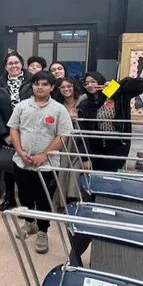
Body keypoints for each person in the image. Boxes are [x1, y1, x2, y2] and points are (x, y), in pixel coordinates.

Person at [8, 71, 73, 254]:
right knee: (25, 194)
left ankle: (43, 230)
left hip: (47, 163)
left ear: (52, 87)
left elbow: (63, 135)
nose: (40, 87)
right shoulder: (22, 106)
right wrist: (20, 152)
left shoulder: (59, 109)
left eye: (45, 84)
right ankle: (29, 223)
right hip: (22, 162)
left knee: (44, 198)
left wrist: (44, 154)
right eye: (37, 84)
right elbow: (14, 129)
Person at [77, 71, 143, 172]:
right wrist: (85, 157)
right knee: (97, 178)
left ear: (100, 81)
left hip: (118, 145)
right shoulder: (84, 105)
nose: (90, 85)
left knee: (112, 176)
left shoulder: (115, 93)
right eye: (86, 83)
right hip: (95, 148)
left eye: (93, 81)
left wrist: (116, 85)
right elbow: (82, 133)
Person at [0, 51, 32, 212]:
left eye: (16, 62)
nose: (13, 65)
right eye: (10, 63)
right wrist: (4, 133)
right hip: (6, 132)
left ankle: (26, 201)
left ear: (22, 64)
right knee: (8, 166)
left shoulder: (32, 80)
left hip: (28, 132)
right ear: (5, 67)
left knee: (25, 166)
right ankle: (9, 198)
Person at [53, 76, 87, 207]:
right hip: (65, 142)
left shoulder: (84, 99)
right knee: (62, 171)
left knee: (75, 172)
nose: (66, 89)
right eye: (63, 87)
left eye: (69, 86)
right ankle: (61, 202)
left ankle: (75, 201)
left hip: (81, 142)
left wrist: (110, 85)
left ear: (74, 86)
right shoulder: (58, 105)